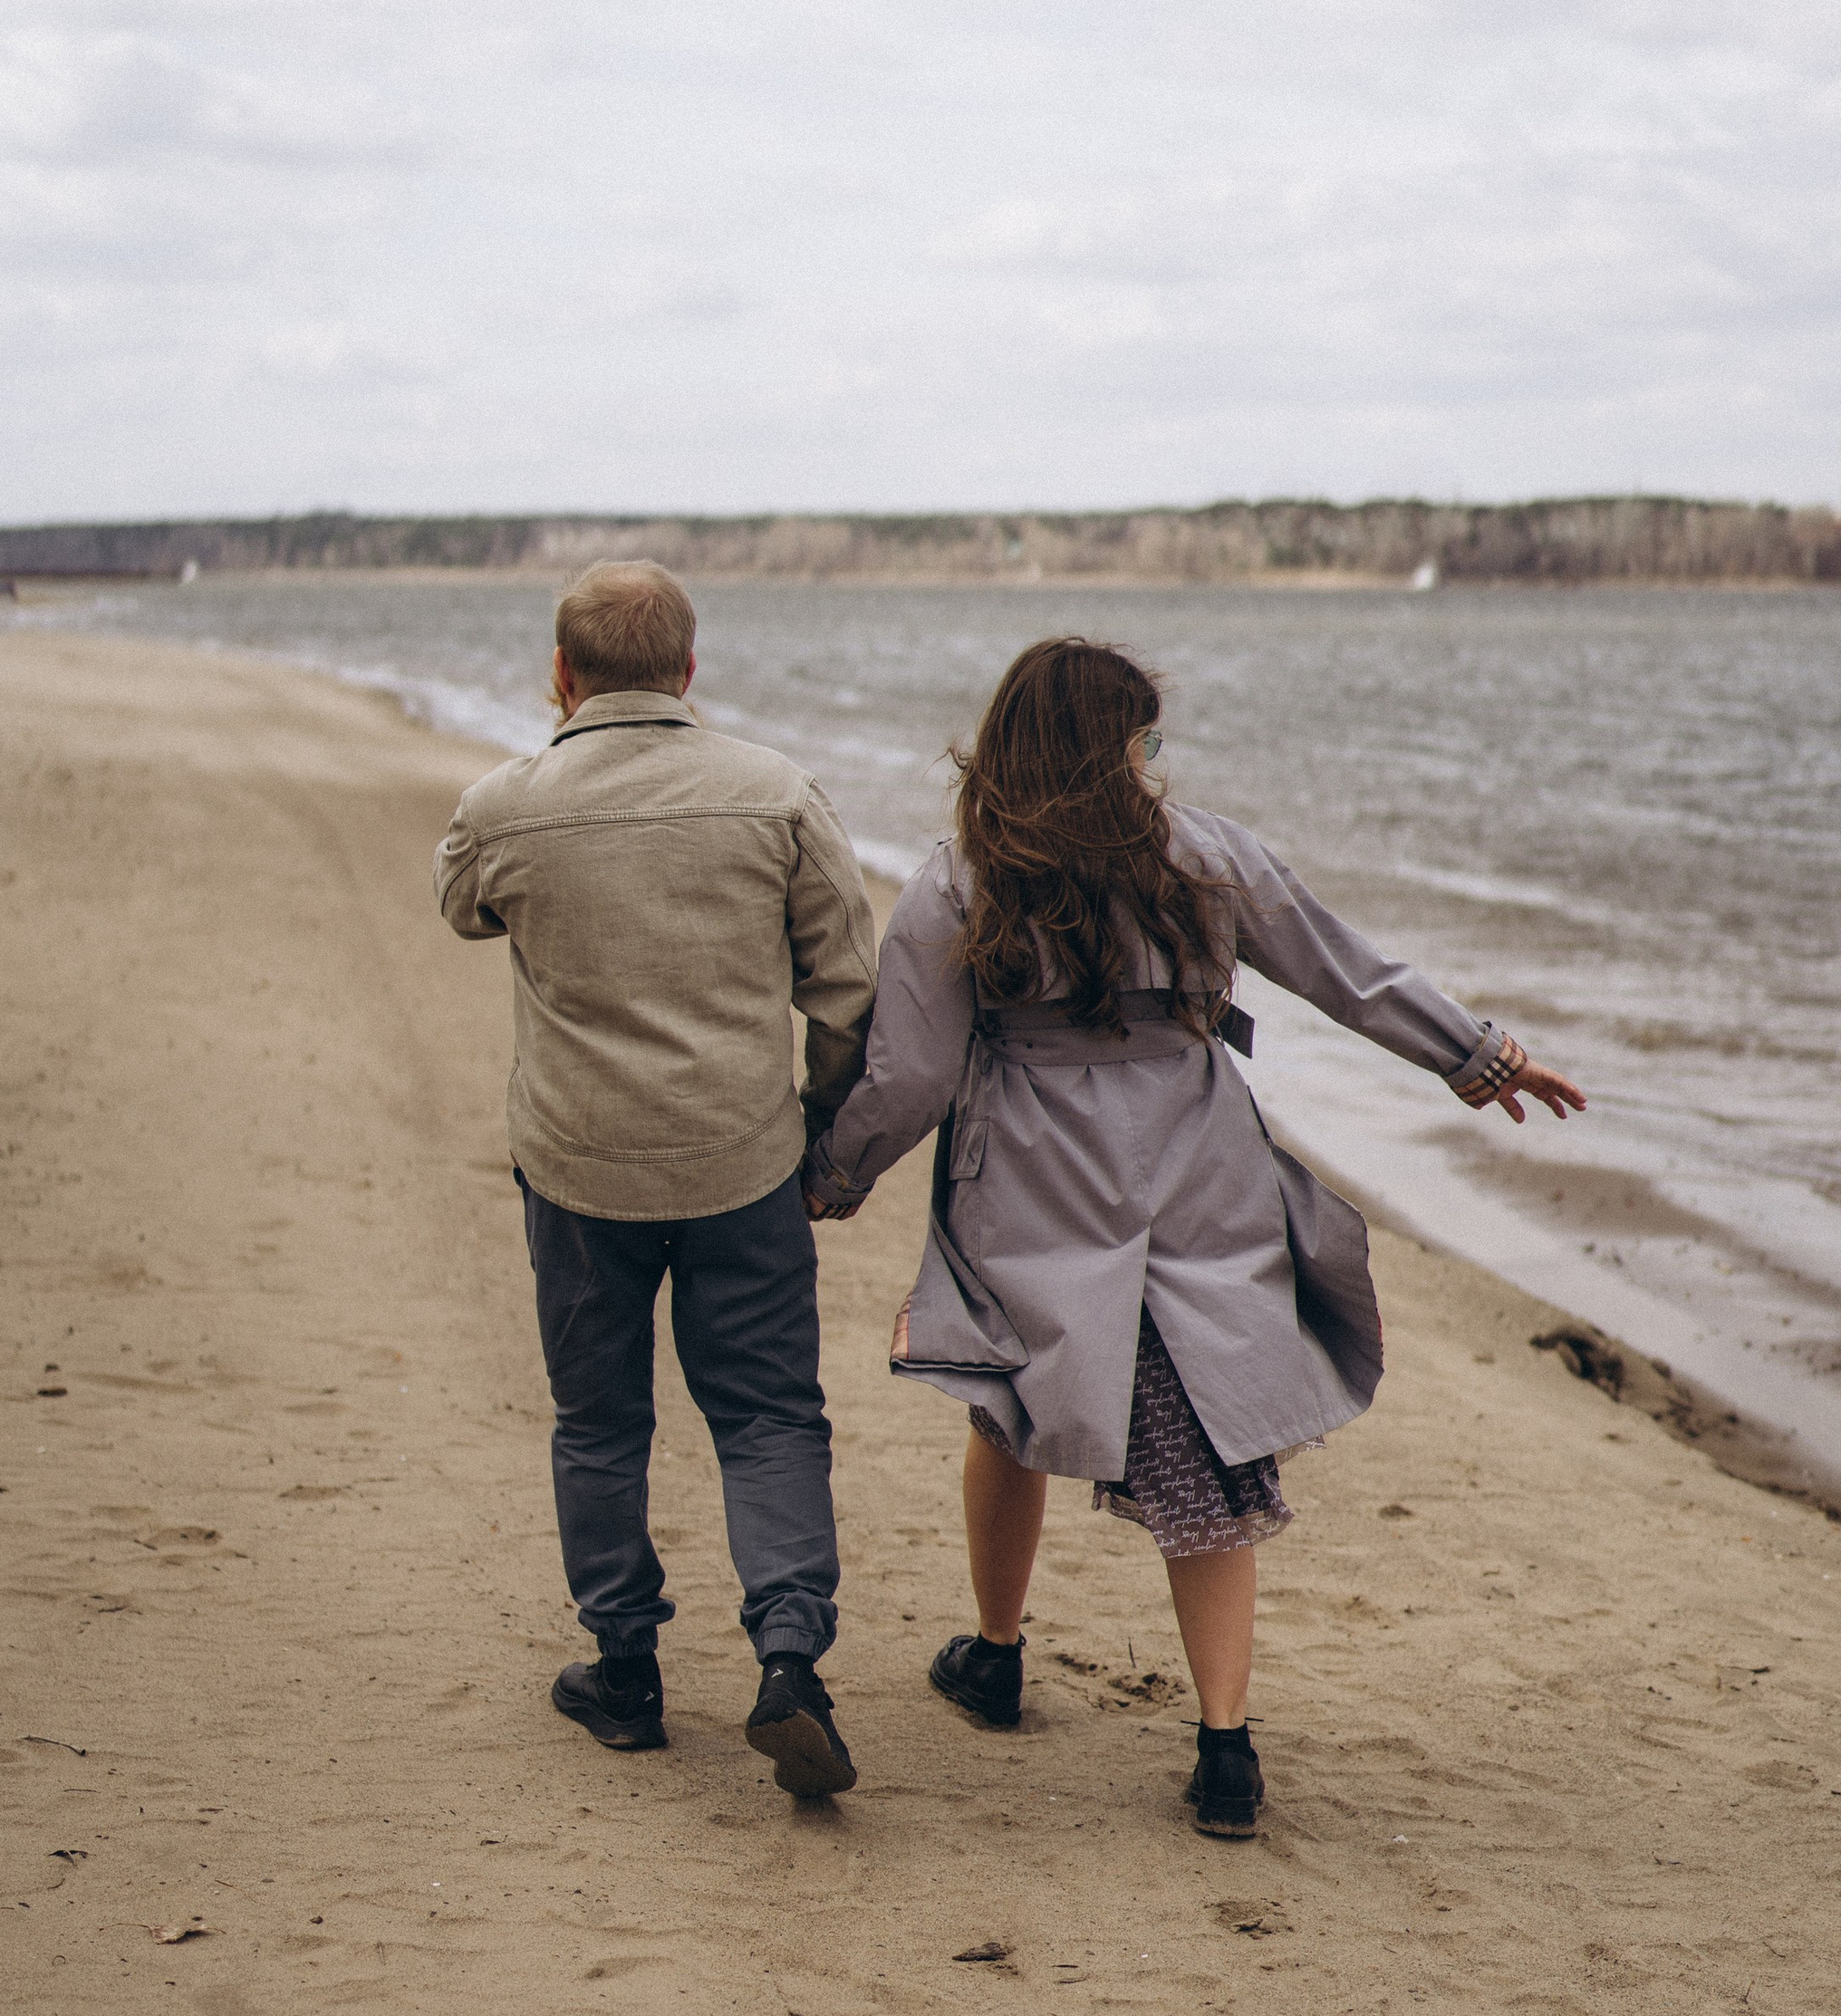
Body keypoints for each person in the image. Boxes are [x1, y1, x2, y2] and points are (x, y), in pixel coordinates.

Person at [802, 636, 1583, 1838]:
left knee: (1008, 1402)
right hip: (1193, 1174)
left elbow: (909, 1075)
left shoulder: (959, 881)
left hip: (1028, 1182)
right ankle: (1225, 1748)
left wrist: (831, 1177)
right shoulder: (1204, 858)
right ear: (1113, 749)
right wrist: (1475, 1059)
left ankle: (998, 1656)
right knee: (1210, 1447)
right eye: (1143, 740)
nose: (1153, 762)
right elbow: (1346, 972)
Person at [434, 561, 879, 1794]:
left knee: (600, 1420)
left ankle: (625, 1671)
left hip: (580, 1167)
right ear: (690, 672)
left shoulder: (506, 805)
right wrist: (828, 1136)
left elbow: (460, 906)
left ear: (561, 675)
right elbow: (846, 991)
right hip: (743, 1161)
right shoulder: (777, 796)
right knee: (769, 1416)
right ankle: (789, 1651)